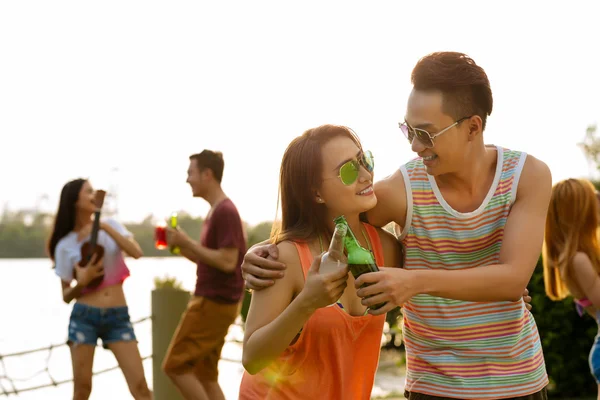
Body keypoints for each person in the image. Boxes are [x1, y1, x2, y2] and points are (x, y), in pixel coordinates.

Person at [241, 52, 550, 399]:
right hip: (434, 386)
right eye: (409, 130)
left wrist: (493, 285)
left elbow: (508, 280)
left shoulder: (527, 176)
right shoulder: (397, 192)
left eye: (426, 134)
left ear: (473, 127)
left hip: (521, 380)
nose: (415, 146)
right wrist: (258, 252)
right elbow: (315, 225)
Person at [239, 124, 404, 399]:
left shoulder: (387, 249)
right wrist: (307, 301)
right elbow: (252, 359)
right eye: (349, 170)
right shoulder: (286, 257)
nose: (365, 175)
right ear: (316, 193)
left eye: (364, 161)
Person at [47, 178, 151, 400]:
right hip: (84, 317)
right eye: (89, 192)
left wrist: (101, 225)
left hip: (118, 316)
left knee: (141, 387)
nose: (94, 195)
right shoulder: (64, 245)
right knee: (82, 390)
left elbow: (136, 252)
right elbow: (66, 296)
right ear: (75, 200)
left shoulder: (111, 225)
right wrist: (81, 282)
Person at [162, 150, 246, 400]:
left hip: (212, 303)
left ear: (207, 175)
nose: (188, 179)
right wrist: (183, 248)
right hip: (219, 302)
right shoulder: (215, 211)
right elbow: (212, 260)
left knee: (174, 366)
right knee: (205, 374)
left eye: (191, 173)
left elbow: (229, 261)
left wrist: (188, 241)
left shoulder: (225, 212)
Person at [543, 178, 600, 399]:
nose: (598, 197)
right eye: (592, 196)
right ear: (579, 213)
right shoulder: (578, 260)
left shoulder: (584, 256)